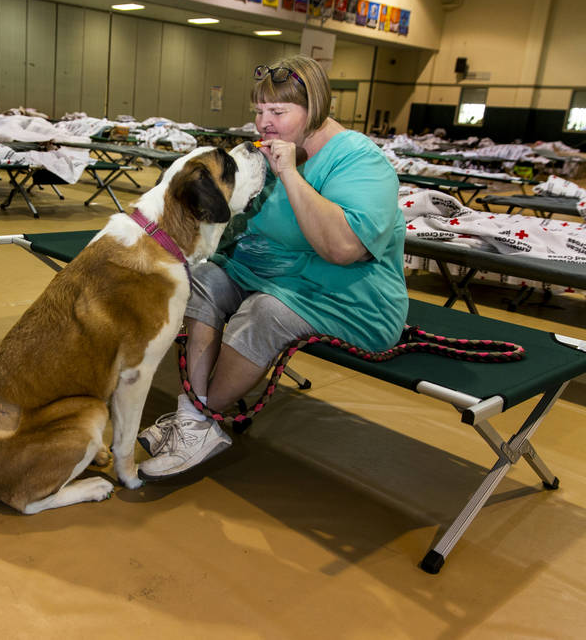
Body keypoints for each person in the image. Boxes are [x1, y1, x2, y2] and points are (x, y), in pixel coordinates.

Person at [137, 54, 409, 480]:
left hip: (348, 296)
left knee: (263, 312)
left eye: (278, 112)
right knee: (203, 280)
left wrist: (291, 176)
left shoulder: (358, 161)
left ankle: (200, 419)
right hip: (268, 274)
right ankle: (194, 420)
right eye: (259, 111)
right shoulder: (270, 151)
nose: (264, 122)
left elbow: (342, 248)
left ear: (315, 109)